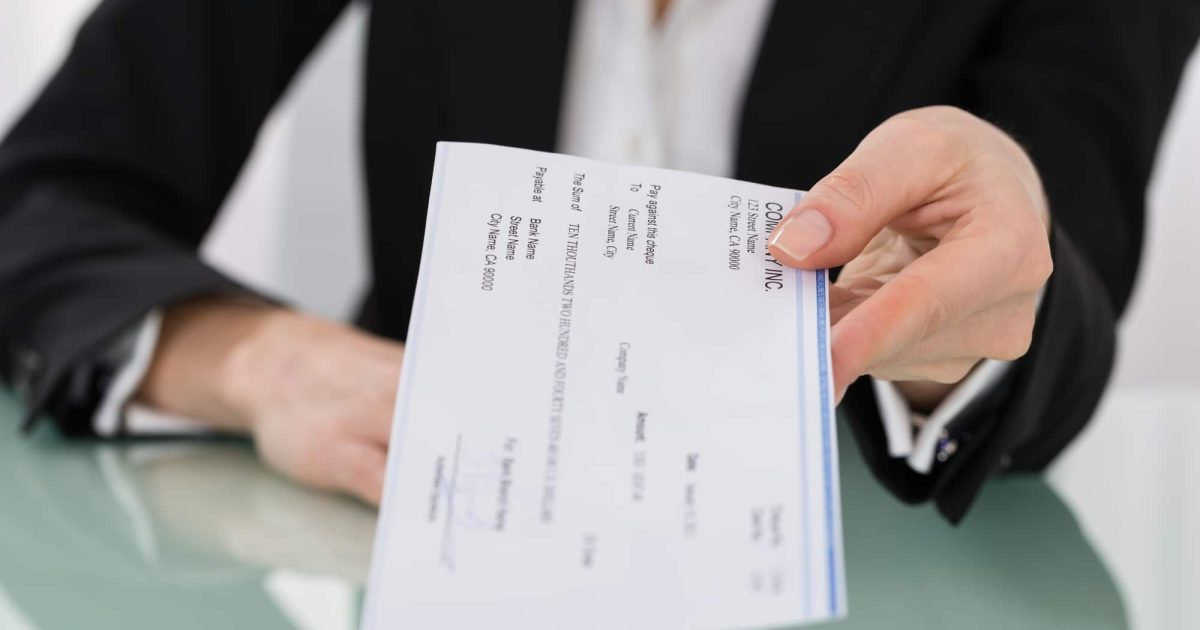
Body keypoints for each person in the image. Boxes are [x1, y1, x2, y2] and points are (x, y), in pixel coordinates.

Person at [0, 0, 1196, 523]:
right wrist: (258, 361)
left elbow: (1060, 304)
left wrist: (956, 318)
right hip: (403, 522)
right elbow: (42, 195)